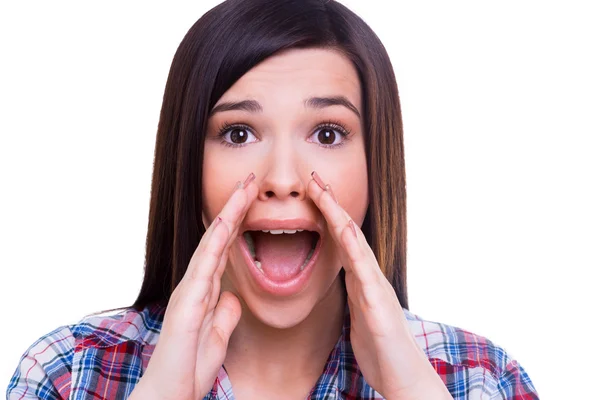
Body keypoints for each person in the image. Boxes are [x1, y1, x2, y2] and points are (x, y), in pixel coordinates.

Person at [7, 0, 539, 399]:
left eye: (328, 133)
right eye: (238, 133)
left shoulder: (484, 378)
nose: (283, 179)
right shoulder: (67, 371)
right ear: (187, 167)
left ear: (377, 170)